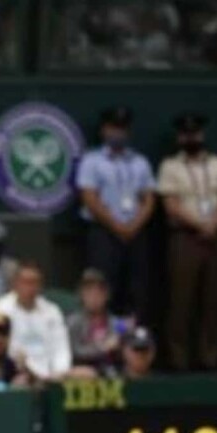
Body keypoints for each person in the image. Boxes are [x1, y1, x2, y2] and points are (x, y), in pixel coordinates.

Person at [157, 112, 217, 371]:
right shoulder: (170, 166)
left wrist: (215, 224)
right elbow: (170, 205)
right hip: (185, 237)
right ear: (180, 137)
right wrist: (199, 224)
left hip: (215, 237)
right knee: (181, 300)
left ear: (202, 135)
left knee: (212, 299)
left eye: (195, 133)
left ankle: (210, 356)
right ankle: (178, 359)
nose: (191, 137)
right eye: (186, 134)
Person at [76, 106, 157, 322]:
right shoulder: (92, 161)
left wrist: (134, 226)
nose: (118, 133)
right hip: (104, 233)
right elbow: (90, 198)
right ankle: (101, 341)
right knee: (102, 286)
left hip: (136, 233)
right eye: (113, 128)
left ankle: (133, 342)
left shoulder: (140, 162)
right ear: (104, 130)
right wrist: (117, 226)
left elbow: (148, 198)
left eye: (122, 128)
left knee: (137, 288)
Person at [0, 262, 78, 383]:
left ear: (40, 286)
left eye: (34, 283)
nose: (30, 287)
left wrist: (59, 372)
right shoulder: (2, 308)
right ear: (15, 284)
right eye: (25, 282)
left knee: (88, 374)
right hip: (19, 373)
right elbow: (0, 346)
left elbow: (61, 348)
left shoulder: (52, 311)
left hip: (51, 375)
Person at [65, 268, 129, 376]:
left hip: (113, 373)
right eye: (89, 293)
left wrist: (124, 337)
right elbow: (74, 351)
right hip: (82, 373)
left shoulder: (117, 323)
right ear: (82, 296)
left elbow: (125, 347)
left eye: (98, 293)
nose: (94, 298)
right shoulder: (72, 322)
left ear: (106, 296)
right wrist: (102, 348)